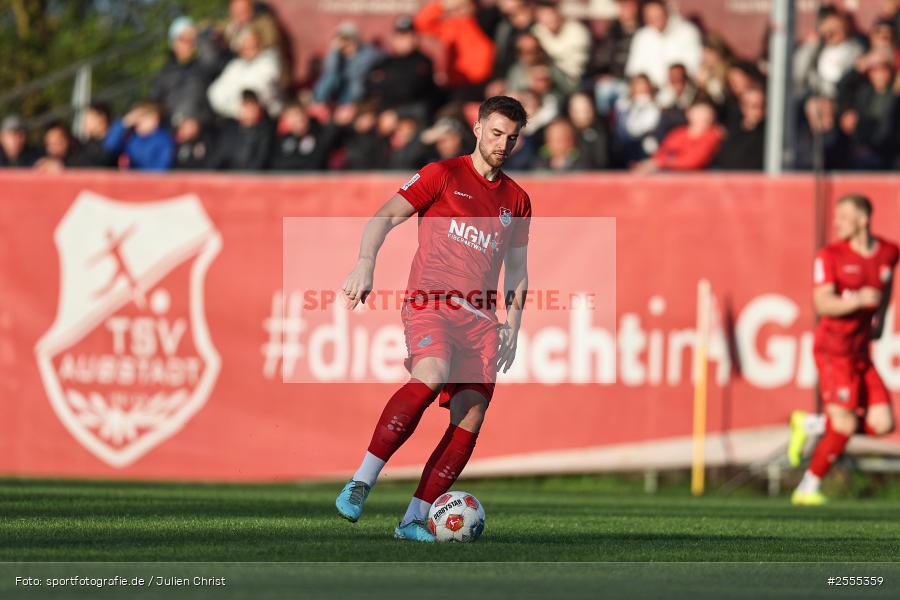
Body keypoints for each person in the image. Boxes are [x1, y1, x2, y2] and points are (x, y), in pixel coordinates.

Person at [334, 96, 531, 542]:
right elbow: (383, 218)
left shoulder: (517, 200)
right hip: (432, 303)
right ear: (477, 128)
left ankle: (413, 520)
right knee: (431, 373)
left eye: (513, 137)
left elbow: (517, 270)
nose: (503, 144)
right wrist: (365, 262)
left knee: (471, 417)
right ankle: (362, 481)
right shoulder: (442, 174)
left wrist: (514, 324)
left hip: (482, 320)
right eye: (496, 133)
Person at [789, 194, 898, 506]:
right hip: (833, 349)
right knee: (846, 423)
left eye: (844, 216)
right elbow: (822, 303)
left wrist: (880, 319)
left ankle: (810, 424)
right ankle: (807, 488)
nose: (837, 223)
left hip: (861, 351)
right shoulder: (830, 255)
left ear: (863, 219)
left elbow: (886, 286)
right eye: (836, 216)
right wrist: (856, 301)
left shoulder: (889, 252)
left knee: (883, 424)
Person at [624, 0, 702, 89]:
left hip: (680, 88)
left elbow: (693, 66)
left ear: (666, 12)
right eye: (651, 17)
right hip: (649, 92)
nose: (655, 20)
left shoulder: (687, 32)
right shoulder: (641, 37)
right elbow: (634, 70)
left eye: (658, 16)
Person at [104, 101, 175, 171]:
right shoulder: (131, 138)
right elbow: (110, 147)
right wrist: (123, 123)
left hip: (151, 181)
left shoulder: (163, 139)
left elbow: (162, 167)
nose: (138, 121)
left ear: (155, 119)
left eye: (143, 117)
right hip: (131, 180)